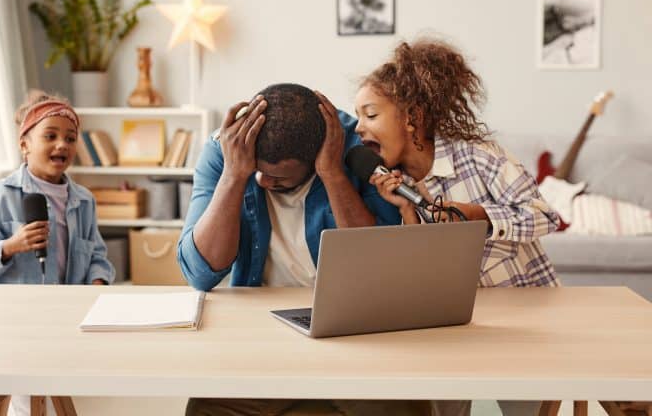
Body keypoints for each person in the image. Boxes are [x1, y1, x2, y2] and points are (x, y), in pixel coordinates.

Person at [179, 83, 415, 416]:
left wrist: (332, 173)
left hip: (352, 333)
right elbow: (199, 272)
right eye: (257, 170)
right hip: (260, 335)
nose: (262, 181)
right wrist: (234, 175)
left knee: (401, 410)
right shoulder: (227, 149)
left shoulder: (359, 148)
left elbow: (375, 268)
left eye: (278, 177)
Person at [354, 38, 560, 416]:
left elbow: (544, 216)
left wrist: (478, 216)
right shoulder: (393, 185)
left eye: (370, 114)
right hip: (454, 324)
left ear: (412, 116)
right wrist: (408, 213)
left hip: (525, 320)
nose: (359, 127)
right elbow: (421, 273)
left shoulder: (479, 156)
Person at [0, 91, 115, 415]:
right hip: (12, 321)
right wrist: (10, 246)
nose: (62, 144)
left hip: (64, 317)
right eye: (51, 136)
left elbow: (98, 255)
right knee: (22, 394)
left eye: (70, 138)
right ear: (24, 145)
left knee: (54, 389)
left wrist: (98, 283)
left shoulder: (83, 200)